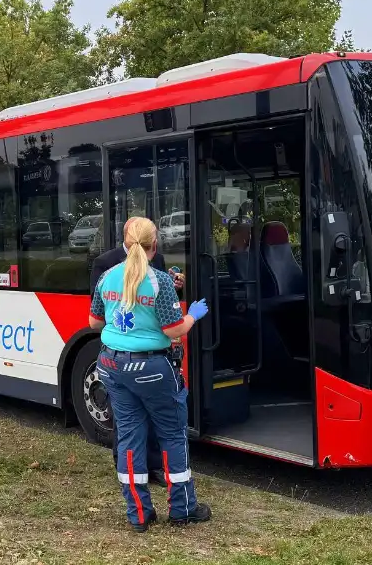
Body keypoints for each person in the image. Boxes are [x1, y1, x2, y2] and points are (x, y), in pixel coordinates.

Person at [89, 217, 211, 531]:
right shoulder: (160, 282)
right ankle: (183, 508)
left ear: (125, 245)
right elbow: (174, 328)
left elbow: (95, 324)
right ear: (154, 246)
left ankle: (139, 514)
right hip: (153, 369)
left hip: (112, 366)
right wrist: (193, 315)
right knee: (171, 434)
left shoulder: (107, 277)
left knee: (129, 436)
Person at [90, 217, 185, 484]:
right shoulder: (105, 264)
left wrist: (175, 285)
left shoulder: (158, 262)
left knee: (143, 418)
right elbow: (99, 311)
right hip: (135, 354)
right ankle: (131, 467)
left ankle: (146, 475)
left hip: (126, 357)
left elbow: (163, 301)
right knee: (133, 421)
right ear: (152, 242)